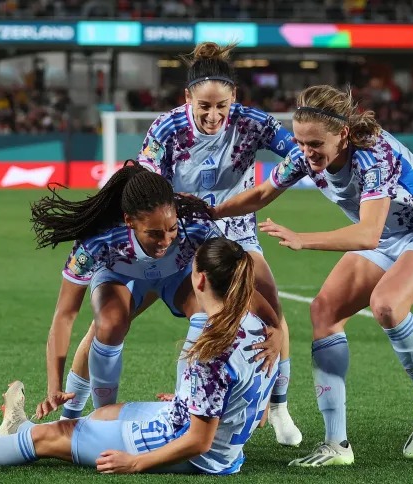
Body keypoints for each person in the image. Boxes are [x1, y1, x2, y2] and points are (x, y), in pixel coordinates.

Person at [50, 41, 303, 448]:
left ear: (234, 98)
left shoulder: (254, 123)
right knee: (111, 322)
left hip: (235, 229)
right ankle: (73, 411)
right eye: (204, 105)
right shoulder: (167, 129)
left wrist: (257, 197)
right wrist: (173, 216)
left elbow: (297, 157)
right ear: (188, 97)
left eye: (221, 105)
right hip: (177, 234)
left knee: (267, 305)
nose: (213, 115)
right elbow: (146, 183)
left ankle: (277, 408)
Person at [213, 84, 413, 466]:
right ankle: (336, 444)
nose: (306, 151)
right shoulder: (305, 155)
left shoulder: (374, 156)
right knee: (324, 313)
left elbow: (367, 234)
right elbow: (262, 193)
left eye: (315, 144)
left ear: (343, 134)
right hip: (385, 234)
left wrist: (302, 239)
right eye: (300, 141)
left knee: (387, 305)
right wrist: (210, 212)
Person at [0, 237, 279, 475]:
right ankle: (16, 429)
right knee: (102, 413)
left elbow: (198, 439)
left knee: (51, 436)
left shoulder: (209, 347)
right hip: (223, 447)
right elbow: (248, 401)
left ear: (200, 279)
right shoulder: (262, 329)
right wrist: (192, 402)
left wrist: (136, 464)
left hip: (196, 452)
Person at [28, 162, 281, 423]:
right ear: (129, 221)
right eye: (154, 233)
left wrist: (276, 326)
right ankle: (102, 417)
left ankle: (186, 403)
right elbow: (65, 315)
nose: (165, 240)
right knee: (109, 323)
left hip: (176, 276)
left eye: (171, 230)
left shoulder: (195, 224)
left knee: (208, 309)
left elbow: (234, 281)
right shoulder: (99, 240)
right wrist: (53, 385)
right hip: (121, 278)